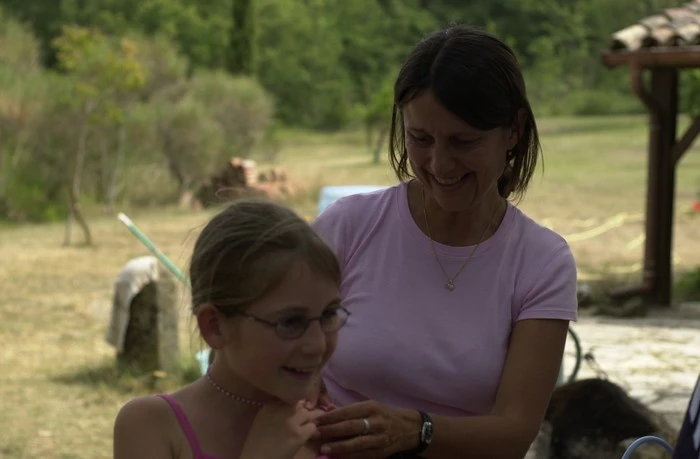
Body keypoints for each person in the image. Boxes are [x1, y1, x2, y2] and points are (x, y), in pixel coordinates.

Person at [311, 24, 579, 459]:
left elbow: (514, 432)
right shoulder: (348, 226)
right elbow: (273, 352)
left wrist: (417, 431)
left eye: (463, 142)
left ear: (513, 130)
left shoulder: (541, 262)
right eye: (420, 139)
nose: (439, 164)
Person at [113, 198, 346, 459]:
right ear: (215, 327)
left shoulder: (332, 430)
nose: (318, 344)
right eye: (290, 322)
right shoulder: (153, 427)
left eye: (329, 314)